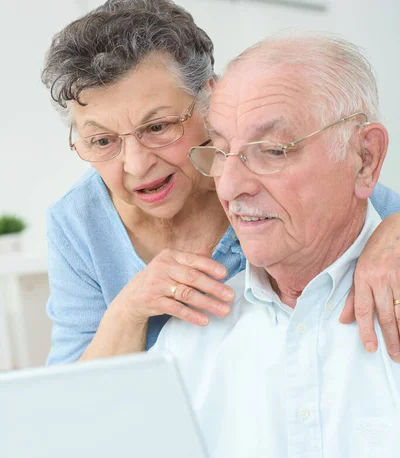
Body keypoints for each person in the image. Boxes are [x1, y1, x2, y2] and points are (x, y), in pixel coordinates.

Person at [42, 0, 400, 366]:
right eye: (103, 141)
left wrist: (393, 233)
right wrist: (130, 309)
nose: (135, 165)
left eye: (158, 127)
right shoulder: (77, 223)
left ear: (211, 97)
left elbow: (361, 193)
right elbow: (69, 399)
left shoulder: (264, 180)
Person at [152, 32, 400, 458]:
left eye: (270, 150)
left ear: (364, 159)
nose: (231, 186)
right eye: (221, 152)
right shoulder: (189, 337)